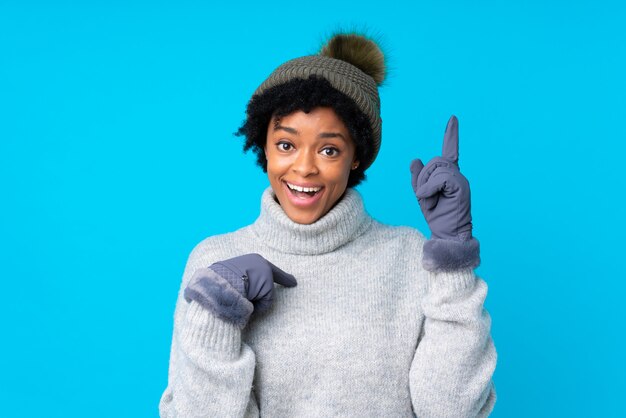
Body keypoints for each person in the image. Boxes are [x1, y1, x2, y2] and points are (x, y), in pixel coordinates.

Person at [159, 32, 497, 417]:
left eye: (329, 149)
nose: (304, 167)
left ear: (356, 157)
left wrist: (454, 260)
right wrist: (216, 312)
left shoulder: (408, 255)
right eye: (286, 144)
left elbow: (450, 409)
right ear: (264, 146)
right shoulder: (215, 261)